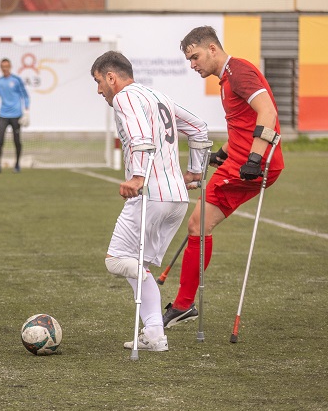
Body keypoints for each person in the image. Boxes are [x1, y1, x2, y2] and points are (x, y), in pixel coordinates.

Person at [163, 25, 285, 328]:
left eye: (195, 57)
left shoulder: (239, 71)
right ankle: (184, 304)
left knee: (198, 224)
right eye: (189, 60)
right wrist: (222, 153)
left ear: (212, 49)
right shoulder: (227, 79)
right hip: (238, 161)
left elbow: (268, 113)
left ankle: (183, 305)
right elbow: (244, 124)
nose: (193, 65)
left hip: (252, 165)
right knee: (198, 225)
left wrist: (254, 159)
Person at [91, 51, 209, 351]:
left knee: (117, 260)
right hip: (177, 198)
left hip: (151, 194)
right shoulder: (158, 96)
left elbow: (140, 136)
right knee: (136, 263)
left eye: (99, 82)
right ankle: (155, 335)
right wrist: (196, 170)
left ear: (111, 77)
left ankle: (156, 331)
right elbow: (198, 126)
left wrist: (138, 177)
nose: (99, 90)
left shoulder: (125, 97)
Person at [0, 58, 30, 173]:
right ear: (1, 68)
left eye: (7, 66)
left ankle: (17, 165)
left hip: (16, 115)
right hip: (3, 114)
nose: (5, 68)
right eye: (3, 66)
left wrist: (26, 110)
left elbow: (25, 95)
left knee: (16, 141)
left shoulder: (16, 80)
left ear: (10, 67)